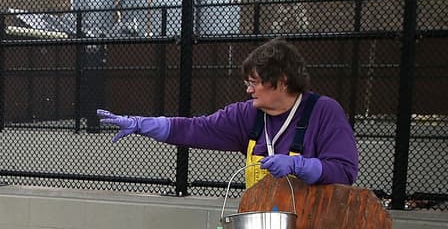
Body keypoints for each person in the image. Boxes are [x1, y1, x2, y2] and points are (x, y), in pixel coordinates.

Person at [96, 38, 359, 187]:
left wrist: (299, 165)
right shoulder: (247, 115)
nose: (249, 91)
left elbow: (344, 172)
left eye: (254, 83)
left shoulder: (324, 112)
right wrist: (141, 124)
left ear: (282, 81)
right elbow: (198, 128)